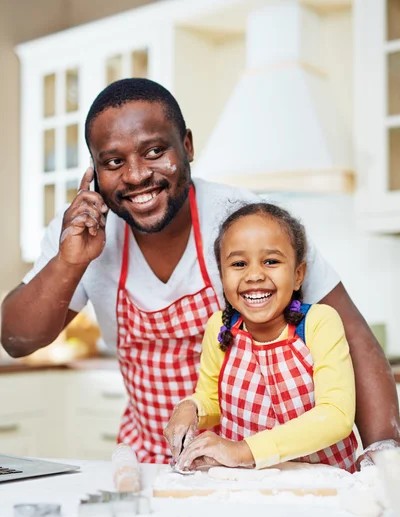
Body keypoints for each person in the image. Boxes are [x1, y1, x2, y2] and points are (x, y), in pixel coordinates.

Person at [1, 78, 398, 465]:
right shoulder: (80, 229)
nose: (137, 175)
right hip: (154, 461)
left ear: (186, 145)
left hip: (258, 458)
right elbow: (16, 340)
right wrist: (70, 261)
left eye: (155, 151)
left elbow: (355, 339)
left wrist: (385, 461)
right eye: (114, 161)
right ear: (95, 170)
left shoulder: (243, 221)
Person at [164, 203, 358, 472]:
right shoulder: (219, 328)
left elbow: (336, 416)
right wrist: (191, 407)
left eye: (271, 261)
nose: (254, 275)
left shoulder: (319, 323)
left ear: (298, 274)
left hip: (322, 484)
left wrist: (244, 450)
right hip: (246, 483)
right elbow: (212, 399)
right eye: (239, 264)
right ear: (222, 276)